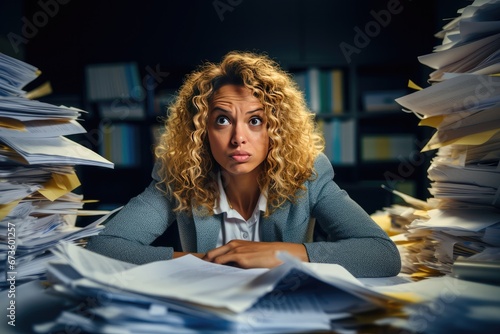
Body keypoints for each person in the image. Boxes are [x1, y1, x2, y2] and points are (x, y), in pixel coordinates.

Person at [86, 51, 401, 277]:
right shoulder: (179, 174)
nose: (238, 138)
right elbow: (104, 248)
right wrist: (201, 262)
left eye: (255, 121)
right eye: (222, 120)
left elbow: (383, 255)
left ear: (276, 128)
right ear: (202, 130)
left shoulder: (309, 173)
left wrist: (284, 254)